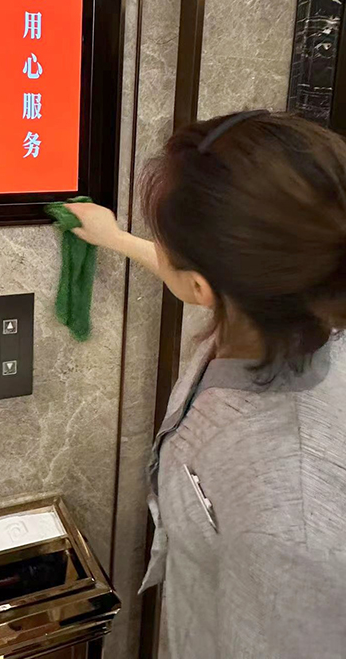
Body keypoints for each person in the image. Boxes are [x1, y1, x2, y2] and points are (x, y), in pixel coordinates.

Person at [66, 111, 346, 659]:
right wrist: (114, 238)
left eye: (162, 242)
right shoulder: (288, 311)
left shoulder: (291, 519)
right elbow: (198, 282)